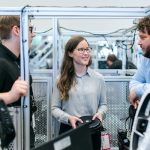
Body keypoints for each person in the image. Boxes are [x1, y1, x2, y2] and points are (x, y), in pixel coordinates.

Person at [51, 35, 107, 134]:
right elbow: (54, 108)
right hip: (69, 130)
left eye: (87, 49)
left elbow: (103, 105)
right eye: (81, 49)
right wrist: (68, 118)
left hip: (93, 129)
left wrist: (101, 113)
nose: (86, 53)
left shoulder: (99, 79)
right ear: (70, 53)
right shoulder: (61, 79)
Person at [0, 16, 36, 148]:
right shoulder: (2, 62)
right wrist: (9, 96)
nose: (34, 34)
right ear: (16, 30)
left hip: (21, 136)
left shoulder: (17, 61)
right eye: (30, 29)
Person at [129, 15, 150, 108]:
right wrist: (135, 92)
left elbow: (137, 88)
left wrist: (138, 90)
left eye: (143, 37)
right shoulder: (146, 59)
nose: (139, 42)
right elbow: (135, 80)